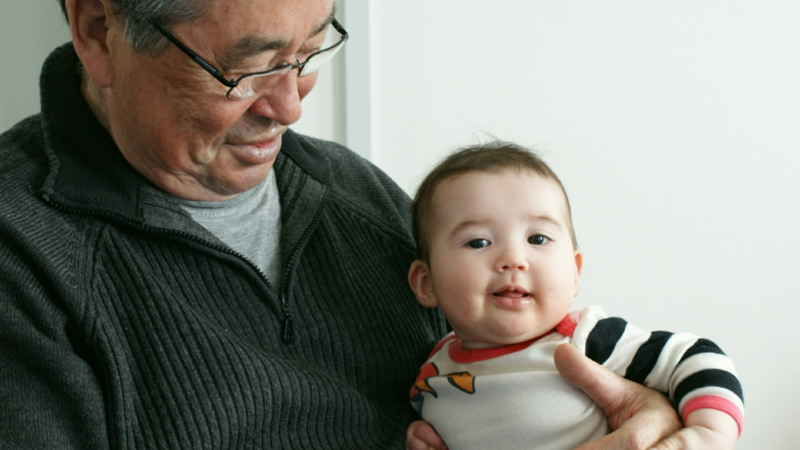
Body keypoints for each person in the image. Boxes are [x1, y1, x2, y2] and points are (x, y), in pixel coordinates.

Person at [0, 0, 684, 448]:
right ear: (98, 30)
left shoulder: (356, 193)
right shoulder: (22, 250)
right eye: (247, 68)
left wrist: (648, 415)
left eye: (309, 53)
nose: (290, 106)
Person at [405, 142, 743, 450]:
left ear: (575, 270)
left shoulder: (586, 337)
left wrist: (709, 432)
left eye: (537, 239)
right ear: (426, 283)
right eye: (478, 242)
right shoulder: (431, 373)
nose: (513, 259)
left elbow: (694, 356)